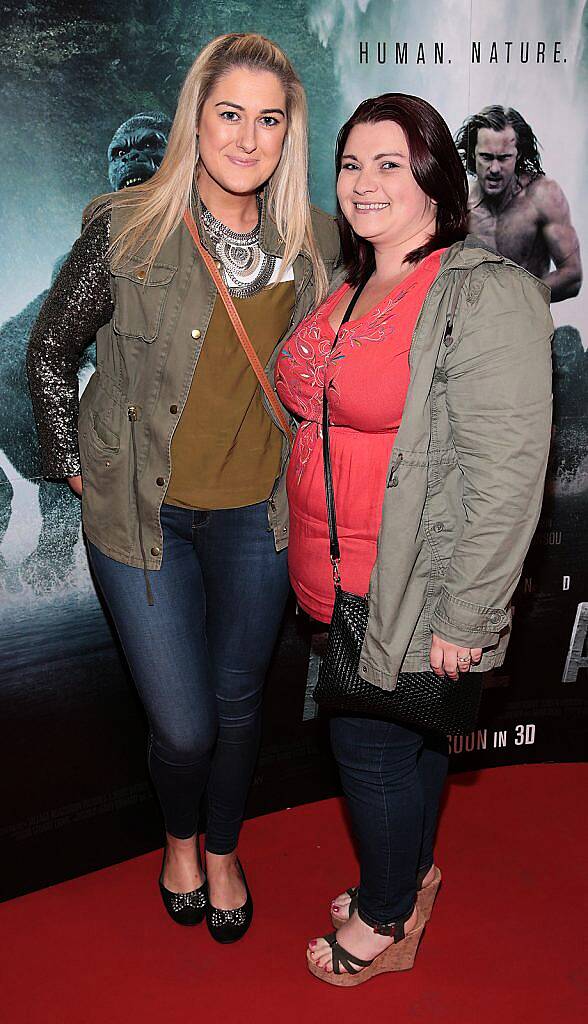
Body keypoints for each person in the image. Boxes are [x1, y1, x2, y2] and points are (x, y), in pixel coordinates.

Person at [26, 32, 340, 944]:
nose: (247, 138)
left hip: (258, 517)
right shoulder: (125, 228)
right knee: (189, 726)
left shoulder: (313, 245)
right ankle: (178, 838)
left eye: (268, 119)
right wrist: (73, 465)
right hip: (138, 515)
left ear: (289, 132)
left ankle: (226, 847)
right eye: (229, 114)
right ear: (194, 121)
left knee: (243, 705)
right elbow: (50, 351)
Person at [275, 93, 553, 986]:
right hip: (333, 569)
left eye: (390, 164)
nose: (365, 183)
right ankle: (413, 874)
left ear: (436, 176)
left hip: (409, 582)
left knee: (371, 749)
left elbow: (507, 473)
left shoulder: (486, 293)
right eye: (352, 165)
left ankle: (387, 918)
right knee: (412, 736)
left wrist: (469, 611)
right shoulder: (351, 283)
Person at [454, 104, 582, 302]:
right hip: (476, 323)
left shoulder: (543, 196)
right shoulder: (461, 202)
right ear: (473, 154)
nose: (494, 168)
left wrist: (516, 300)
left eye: (504, 158)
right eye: (486, 157)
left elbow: (572, 276)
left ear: (518, 156)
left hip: (528, 320)